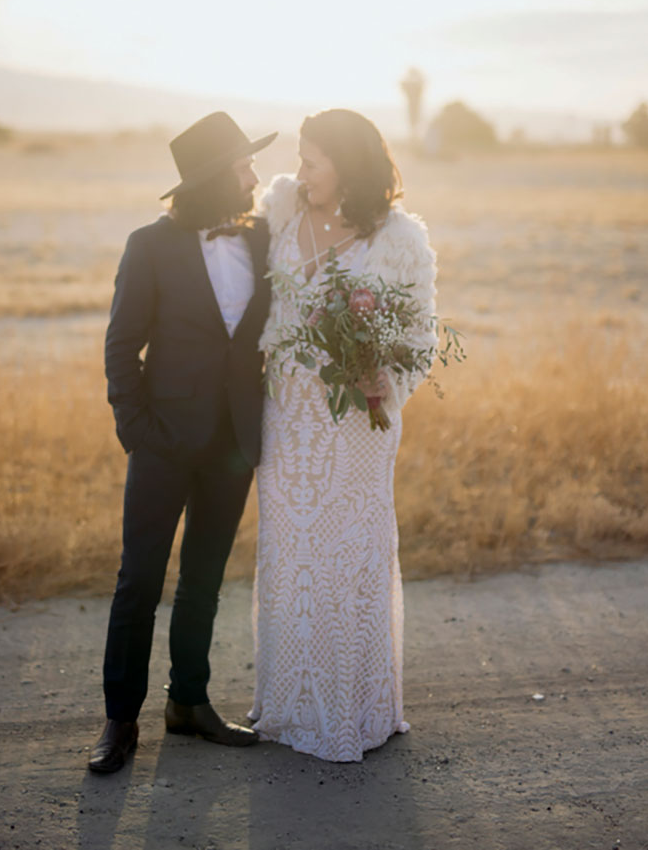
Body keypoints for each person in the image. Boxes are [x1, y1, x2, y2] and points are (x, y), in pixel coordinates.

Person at [88, 111, 277, 774]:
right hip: (163, 442)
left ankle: (188, 702)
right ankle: (119, 721)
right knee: (139, 579)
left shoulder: (260, 242)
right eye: (243, 164)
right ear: (213, 176)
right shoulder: (149, 245)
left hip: (233, 444)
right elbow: (121, 345)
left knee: (203, 580)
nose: (255, 175)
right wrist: (136, 430)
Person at [249, 108, 438, 762]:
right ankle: (290, 705)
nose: (298, 173)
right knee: (290, 552)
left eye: (311, 161)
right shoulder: (278, 211)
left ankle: (354, 713)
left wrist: (376, 378)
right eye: (299, 159)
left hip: (357, 424)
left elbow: (421, 340)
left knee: (348, 557)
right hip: (286, 417)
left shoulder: (400, 239)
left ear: (347, 166)